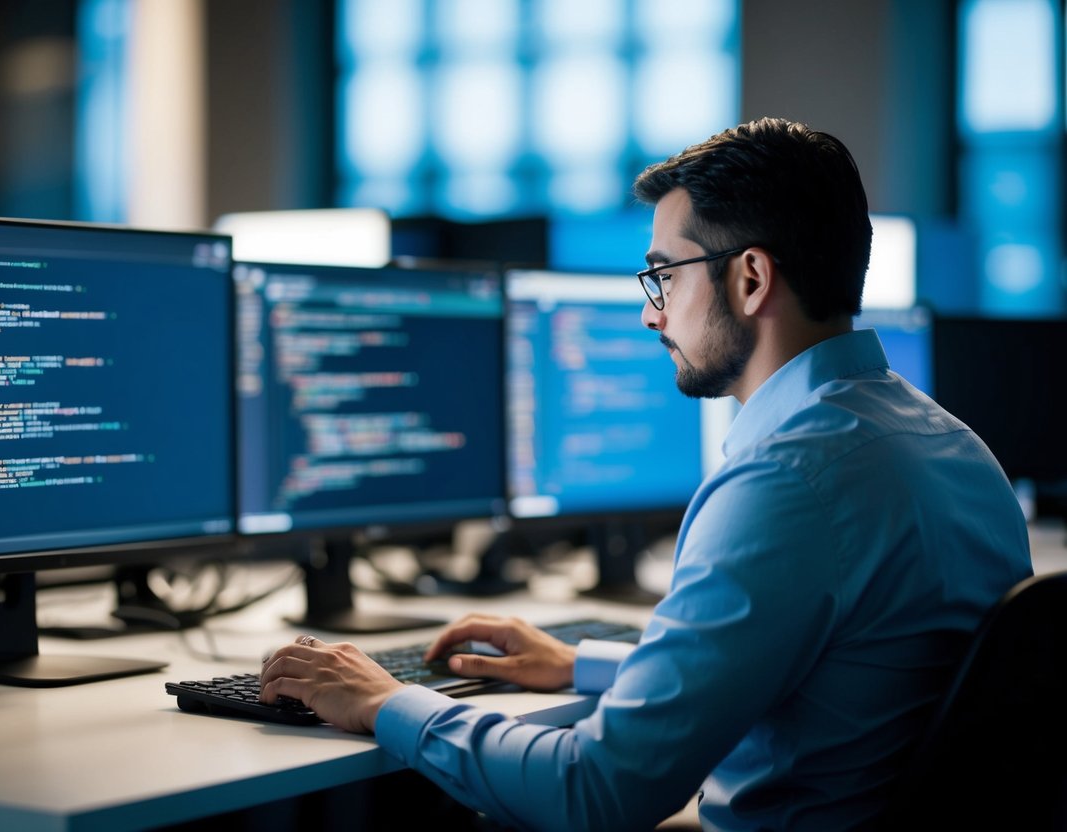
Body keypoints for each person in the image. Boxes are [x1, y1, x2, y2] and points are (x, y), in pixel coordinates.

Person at [259, 118, 1033, 830]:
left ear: (750, 278)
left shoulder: (788, 480)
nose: (650, 313)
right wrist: (583, 662)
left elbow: (597, 791)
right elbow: (829, 669)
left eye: (665, 275)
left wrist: (389, 704)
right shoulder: (947, 444)